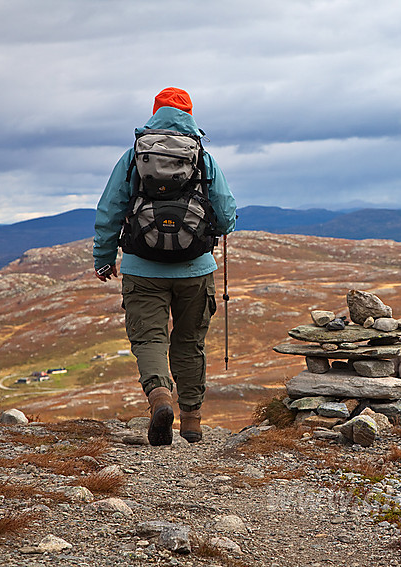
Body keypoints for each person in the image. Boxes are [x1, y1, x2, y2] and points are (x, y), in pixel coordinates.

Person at [93, 87, 236, 446]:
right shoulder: (202, 157)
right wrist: (210, 231)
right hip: (195, 269)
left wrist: (104, 258)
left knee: (149, 338)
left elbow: (110, 209)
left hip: (142, 267)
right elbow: (226, 211)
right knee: (189, 342)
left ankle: (159, 398)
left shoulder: (134, 156)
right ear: (190, 114)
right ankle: (191, 421)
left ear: (154, 112)